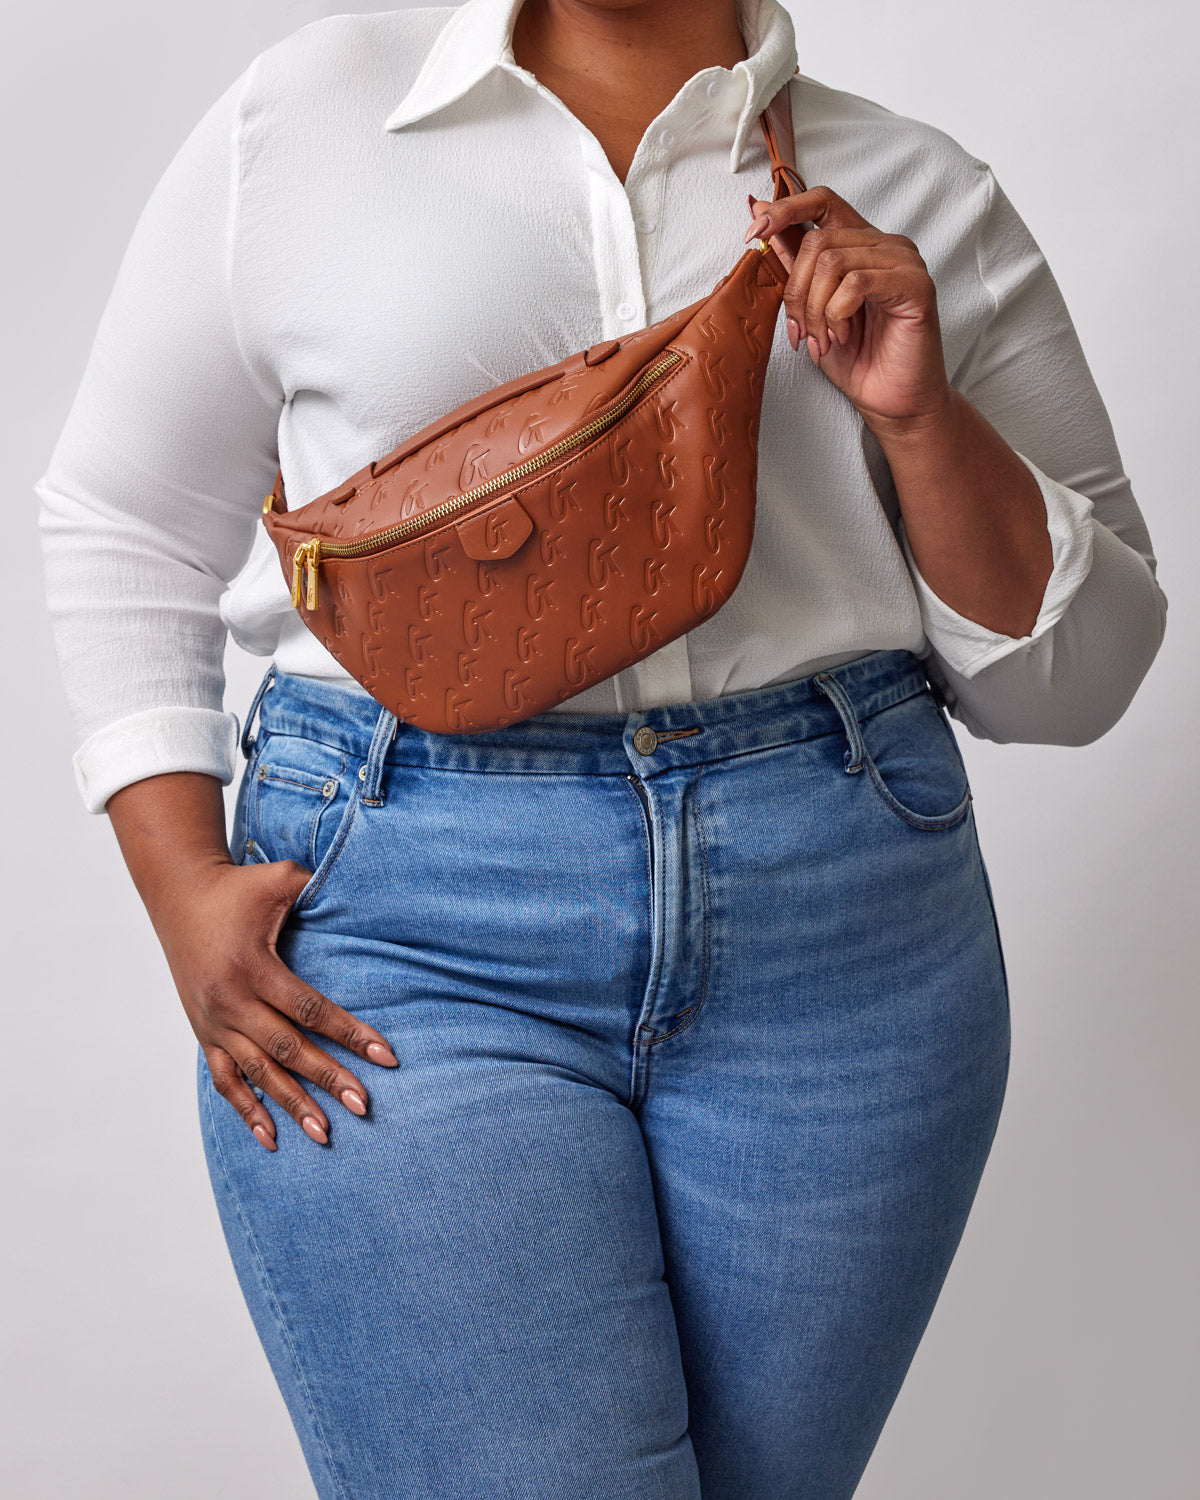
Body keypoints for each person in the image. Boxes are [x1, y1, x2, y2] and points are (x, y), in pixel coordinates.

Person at [34, 0, 1167, 1496]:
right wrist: (177, 877)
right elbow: (124, 515)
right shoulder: (307, 120)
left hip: (845, 944)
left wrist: (920, 416)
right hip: (408, 924)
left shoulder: (916, 191)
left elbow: (1076, 679)